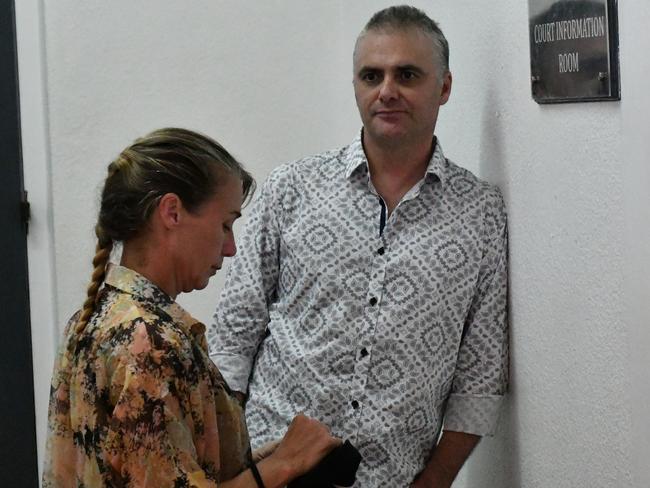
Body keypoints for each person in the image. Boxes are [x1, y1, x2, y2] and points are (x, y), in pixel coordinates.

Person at [209, 5, 508, 488]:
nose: (387, 90)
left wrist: (435, 481)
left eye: (407, 74)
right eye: (372, 75)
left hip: (392, 478)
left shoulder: (480, 213)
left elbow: (481, 373)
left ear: (445, 87)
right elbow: (234, 333)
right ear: (356, 87)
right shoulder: (293, 189)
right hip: (269, 467)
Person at [43, 128, 340, 488]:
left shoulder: (90, 319)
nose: (230, 248)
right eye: (225, 225)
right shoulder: (147, 342)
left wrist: (271, 459)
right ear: (172, 212)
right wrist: (286, 464)